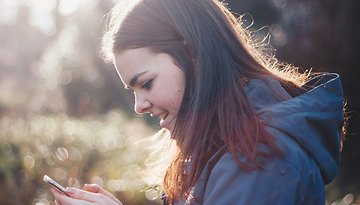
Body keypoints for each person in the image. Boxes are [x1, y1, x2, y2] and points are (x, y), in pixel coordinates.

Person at [51, 0, 345, 204]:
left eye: (147, 83)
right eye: (133, 91)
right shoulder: (226, 144)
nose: (139, 106)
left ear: (194, 56)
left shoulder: (259, 158)